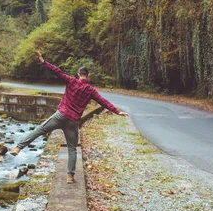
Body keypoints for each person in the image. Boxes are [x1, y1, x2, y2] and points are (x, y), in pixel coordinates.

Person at [10, 51, 129, 184]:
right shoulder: (91, 90)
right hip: (73, 121)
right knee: (72, 149)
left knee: (40, 129)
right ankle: (70, 176)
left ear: (78, 74)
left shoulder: (71, 81)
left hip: (61, 115)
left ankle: (18, 147)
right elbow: (103, 101)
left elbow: (58, 72)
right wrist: (117, 112)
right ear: (88, 75)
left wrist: (44, 62)